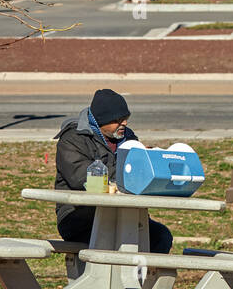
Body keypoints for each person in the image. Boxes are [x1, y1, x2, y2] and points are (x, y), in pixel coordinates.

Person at [53, 89, 174, 253]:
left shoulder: (128, 137)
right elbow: (81, 178)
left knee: (161, 236)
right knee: (112, 239)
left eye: (126, 118)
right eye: (117, 119)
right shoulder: (73, 139)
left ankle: (143, 278)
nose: (124, 123)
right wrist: (131, 171)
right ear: (101, 119)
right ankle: (113, 278)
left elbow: (142, 173)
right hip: (80, 217)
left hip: (126, 216)